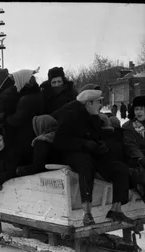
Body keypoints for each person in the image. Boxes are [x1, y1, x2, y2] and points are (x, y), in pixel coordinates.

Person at [53, 90, 133, 226]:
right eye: (98, 102)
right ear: (89, 103)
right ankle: (87, 213)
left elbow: (97, 135)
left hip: (92, 151)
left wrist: (101, 145)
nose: (101, 104)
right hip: (72, 153)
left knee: (120, 168)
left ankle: (116, 209)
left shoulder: (94, 116)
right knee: (86, 164)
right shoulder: (70, 116)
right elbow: (59, 141)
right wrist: (84, 143)